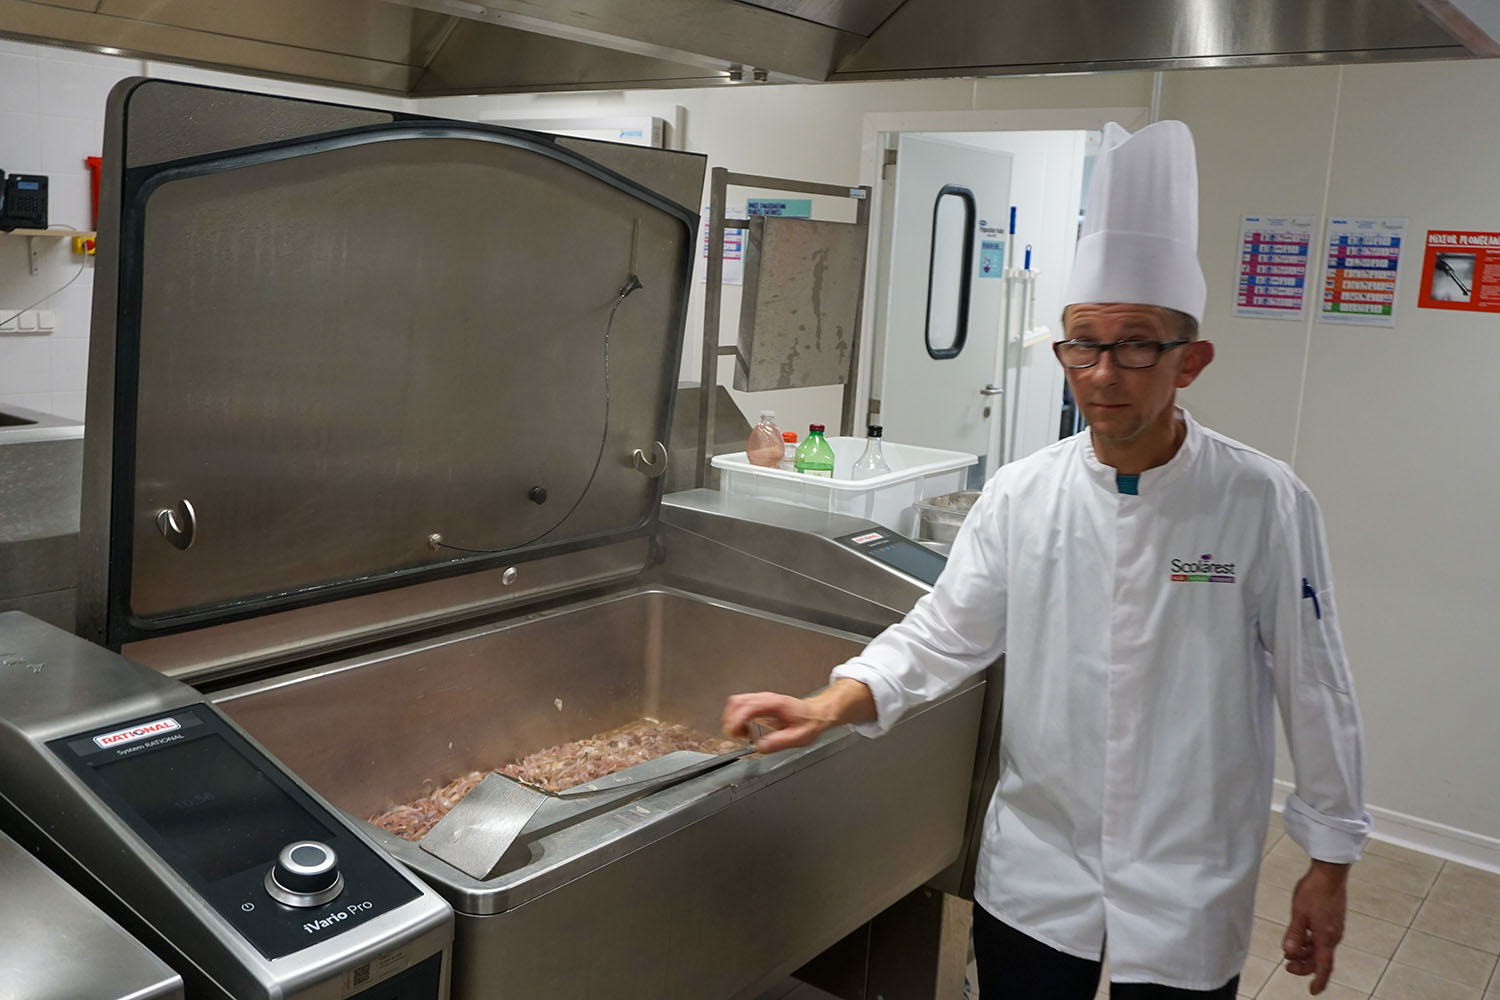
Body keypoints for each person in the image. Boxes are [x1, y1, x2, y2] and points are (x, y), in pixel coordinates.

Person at [722, 120, 1369, 998]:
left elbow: (1316, 683)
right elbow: (942, 635)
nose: (1103, 372)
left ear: (1191, 361)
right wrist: (827, 703)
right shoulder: (1024, 493)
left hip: (1188, 877)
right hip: (1039, 868)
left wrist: (1329, 861)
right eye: (1083, 342)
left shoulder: (1262, 501)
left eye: (1136, 343)